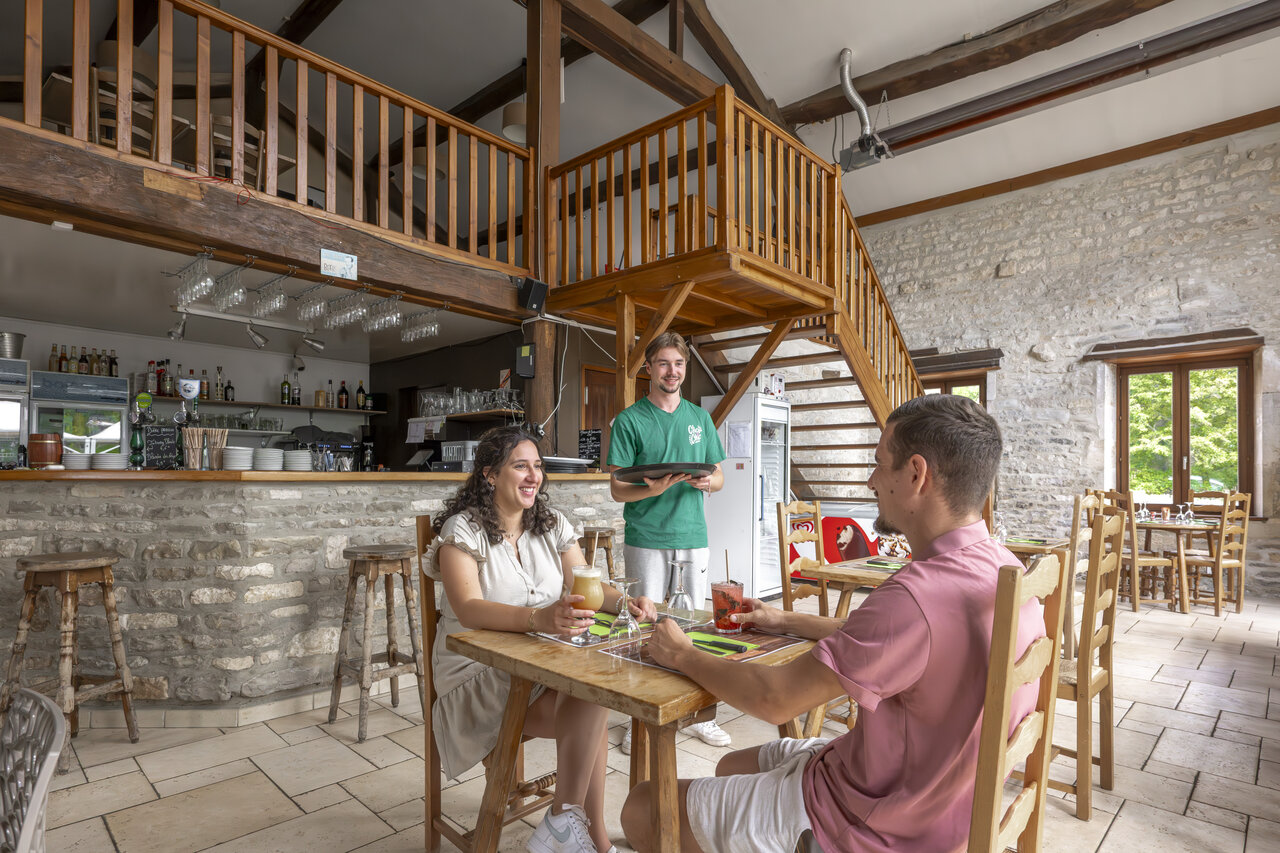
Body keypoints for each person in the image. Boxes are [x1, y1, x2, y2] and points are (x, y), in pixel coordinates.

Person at [620, 394, 1045, 853]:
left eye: (880, 464)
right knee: (730, 765)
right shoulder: (1004, 568)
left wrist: (681, 653)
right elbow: (900, 643)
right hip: (932, 800)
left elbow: (774, 699)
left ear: (917, 474)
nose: (870, 480)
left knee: (641, 808)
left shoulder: (915, 598)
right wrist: (783, 619)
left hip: (869, 826)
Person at [427, 425, 657, 853]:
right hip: (475, 671)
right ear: (490, 474)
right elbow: (468, 608)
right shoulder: (463, 530)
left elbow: (588, 584)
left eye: (538, 466)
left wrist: (627, 602)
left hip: (538, 663)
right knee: (592, 701)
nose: (534, 476)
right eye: (520, 466)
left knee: (594, 696)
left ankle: (577, 831)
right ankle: (572, 829)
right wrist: (540, 618)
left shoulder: (549, 525)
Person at [606, 331, 729, 752]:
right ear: (649, 369)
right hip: (646, 536)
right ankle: (639, 714)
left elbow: (720, 476)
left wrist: (707, 481)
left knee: (693, 625)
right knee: (645, 623)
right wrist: (652, 491)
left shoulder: (700, 419)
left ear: (684, 368)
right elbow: (618, 489)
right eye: (663, 363)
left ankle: (696, 714)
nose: (671, 371)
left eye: (678, 363)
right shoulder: (629, 421)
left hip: (693, 535)